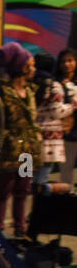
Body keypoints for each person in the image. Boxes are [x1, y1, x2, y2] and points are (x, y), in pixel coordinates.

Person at [0, 43, 42, 237]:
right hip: (10, 150)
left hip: (27, 151)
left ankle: (20, 230)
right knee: (5, 190)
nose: (33, 69)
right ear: (21, 67)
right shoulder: (2, 92)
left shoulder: (30, 91)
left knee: (23, 190)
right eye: (31, 65)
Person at [32, 51, 73, 188]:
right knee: (42, 179)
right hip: (50, 141)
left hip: (29, 140)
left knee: (25, 178)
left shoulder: (28, 84)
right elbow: (57, 112)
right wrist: (73, 105)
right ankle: (39, 205)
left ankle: (23, 207)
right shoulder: (55, 86)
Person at [55, 49, 77, 185]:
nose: (66, 64)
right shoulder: (56, 83)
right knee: (66, 170)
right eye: (63, 61)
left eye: (70, 61)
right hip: (67, 131)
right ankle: (66, 200)